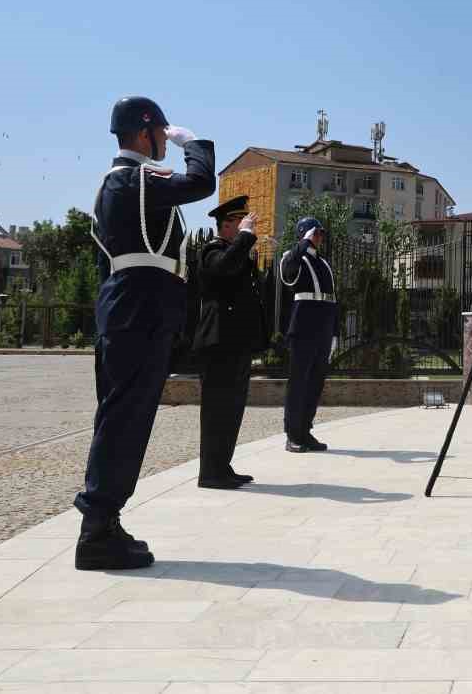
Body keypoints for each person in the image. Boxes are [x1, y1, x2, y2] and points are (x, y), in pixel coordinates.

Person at [75, 96, 215, 570]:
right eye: (161, 136)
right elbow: (200, 182)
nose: (164, 145)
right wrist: (193, 144)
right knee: (125, 415)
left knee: (119, 413)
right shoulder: (136, 177)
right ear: (145, 132)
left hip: (123, 301)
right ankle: (97, 528)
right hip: (141, 303)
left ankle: (104, 522)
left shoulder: (112, 185)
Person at [193, 195, 268, 489]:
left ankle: (221, 466)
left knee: (232, 408)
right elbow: (223, 268)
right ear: (226, 225)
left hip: (235, 343)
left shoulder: (232, 252)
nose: (247, 227)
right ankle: (210, 472)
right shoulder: (211, 251)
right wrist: (247, 238)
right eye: (241, 223)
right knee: (217, 410)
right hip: (218, 344)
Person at [277, 217, 337, 454]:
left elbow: (334, 299)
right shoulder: (293, 258)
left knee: (315, 383)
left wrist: (335, 333)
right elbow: (287, 275)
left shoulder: (323, 263)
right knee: (298, 382)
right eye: (316, 233)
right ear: (304, 234)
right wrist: (303, 241)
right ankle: (292, 434)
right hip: (303, 328)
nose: (320, 237)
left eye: (321, 233)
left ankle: (305, 430)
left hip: (323, 327)